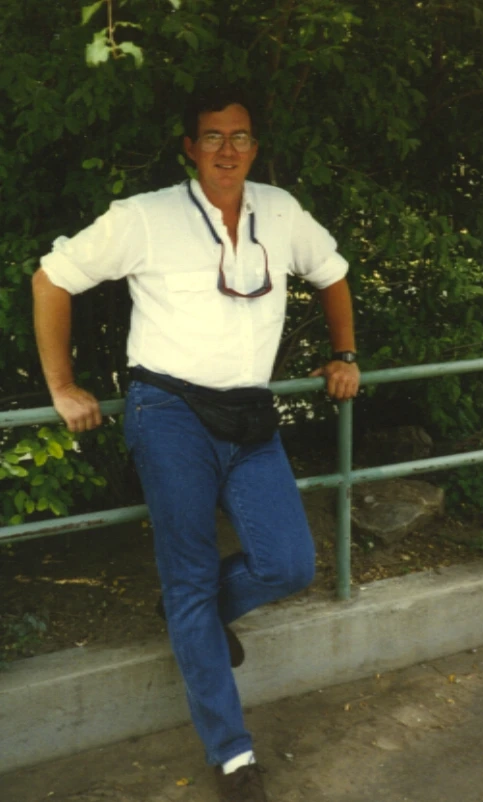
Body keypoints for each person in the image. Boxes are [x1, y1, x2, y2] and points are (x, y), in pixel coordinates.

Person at [32, 88, 360, 802]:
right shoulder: (145, 217)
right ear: (189, 146)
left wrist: (345, 353)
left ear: (255, 144)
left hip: (250, 413)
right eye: (212, 137)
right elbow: (52, 277)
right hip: (169, 411)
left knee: (291, 563)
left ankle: (195, 617)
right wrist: (63, 386)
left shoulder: (280, 211)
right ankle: (233, 756)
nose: (227, 151)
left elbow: (332, 272)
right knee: (186, 575)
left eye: (239, 137)